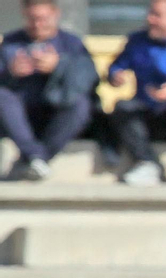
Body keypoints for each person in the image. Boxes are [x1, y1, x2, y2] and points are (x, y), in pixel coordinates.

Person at [105, 0, 166, 185]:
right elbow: (115, 67)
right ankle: (147, 163)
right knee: (122, 108)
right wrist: (116, 76)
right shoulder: (137, 41)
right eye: (150, 13)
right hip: (147, 112)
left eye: (157, 15)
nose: (150, 19)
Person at [0, 0, 96, 181]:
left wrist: (59, 66)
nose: (37, 25)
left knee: (81, 105)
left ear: (55, 15)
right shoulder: (11, 42)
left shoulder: (71, 43)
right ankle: (36, 157)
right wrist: (9, 72)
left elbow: (88, 80)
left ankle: (35, 158)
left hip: (56, 113)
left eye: (43, 19)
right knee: (2, 97)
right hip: (21, 117)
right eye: (32, 19)